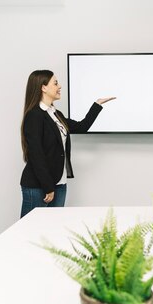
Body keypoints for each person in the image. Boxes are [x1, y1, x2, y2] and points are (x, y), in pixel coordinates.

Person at [20, 69, 115, 217]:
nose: (59, 86)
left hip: (59, 183)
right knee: (29, 232)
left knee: (53, 230)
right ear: (43, 87)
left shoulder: (55, 114)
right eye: (55, 83)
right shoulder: (34, 115)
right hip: (39, 186)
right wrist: (48, 186)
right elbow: (36, 154)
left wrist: (97, 104)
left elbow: (82, 127)